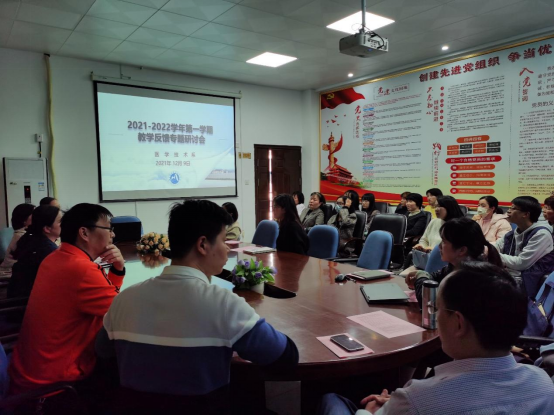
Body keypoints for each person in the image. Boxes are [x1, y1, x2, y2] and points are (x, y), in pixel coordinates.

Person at [96, 200, 298, 414]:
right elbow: (285, 358)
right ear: (202, 245)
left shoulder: (123, 300)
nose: (227, 248)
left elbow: (102, 352)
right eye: (224, 240)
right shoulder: (224, 304)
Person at [320, 262, 554, 415]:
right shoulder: (544, 385)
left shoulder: (418, 399)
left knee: (331, 399)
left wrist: (372, 410)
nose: (434, 316)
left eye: (436, 309)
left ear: (458, 323)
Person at [9, 203, 125, 394]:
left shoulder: (56, 257)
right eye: (109, 228)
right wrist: (118, 270)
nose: (112, 234)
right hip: (55, 385)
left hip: (30, 371)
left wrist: (117, 269)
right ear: (84, 233)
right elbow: (121, 314)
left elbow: (109, 301)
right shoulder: (82, 269)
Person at [406, 217, 503, 305]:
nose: (439, 246)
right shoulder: (455, 266)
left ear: (462, 250)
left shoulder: (471, 276)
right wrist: (422, 274)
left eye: (444, 241)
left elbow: (430, 302)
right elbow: (435, 277)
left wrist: (421, 277)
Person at [494, 197, 554, 297]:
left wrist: (492, 253)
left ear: (526, 214)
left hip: (525, 282)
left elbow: (521, 263)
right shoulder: (513, 233)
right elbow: (496, 246)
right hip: (508, 276)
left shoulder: (541, 234)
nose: (508, 211)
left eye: (513, 208)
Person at [7, 206, 62, 299]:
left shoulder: (32, 239)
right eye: (60, 221)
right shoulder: (47, 250)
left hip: (21, 298)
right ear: (47, 228)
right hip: (28, 302)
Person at [402, 196, 465, 272]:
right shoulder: (434, 222)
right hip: (425, 261)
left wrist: (433, 250)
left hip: (446, 265)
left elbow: (455, 250)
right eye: (435, 206)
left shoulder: (460, 226)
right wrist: (422, 247)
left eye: (439, 206)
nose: (436, 209)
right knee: (402, 275)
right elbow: (424, 239)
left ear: (449, 207)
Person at [0, 204, 35, 269]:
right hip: (11, 270)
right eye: (34, 215)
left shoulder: (24, 233)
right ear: (24, 220)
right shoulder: (22, 236)